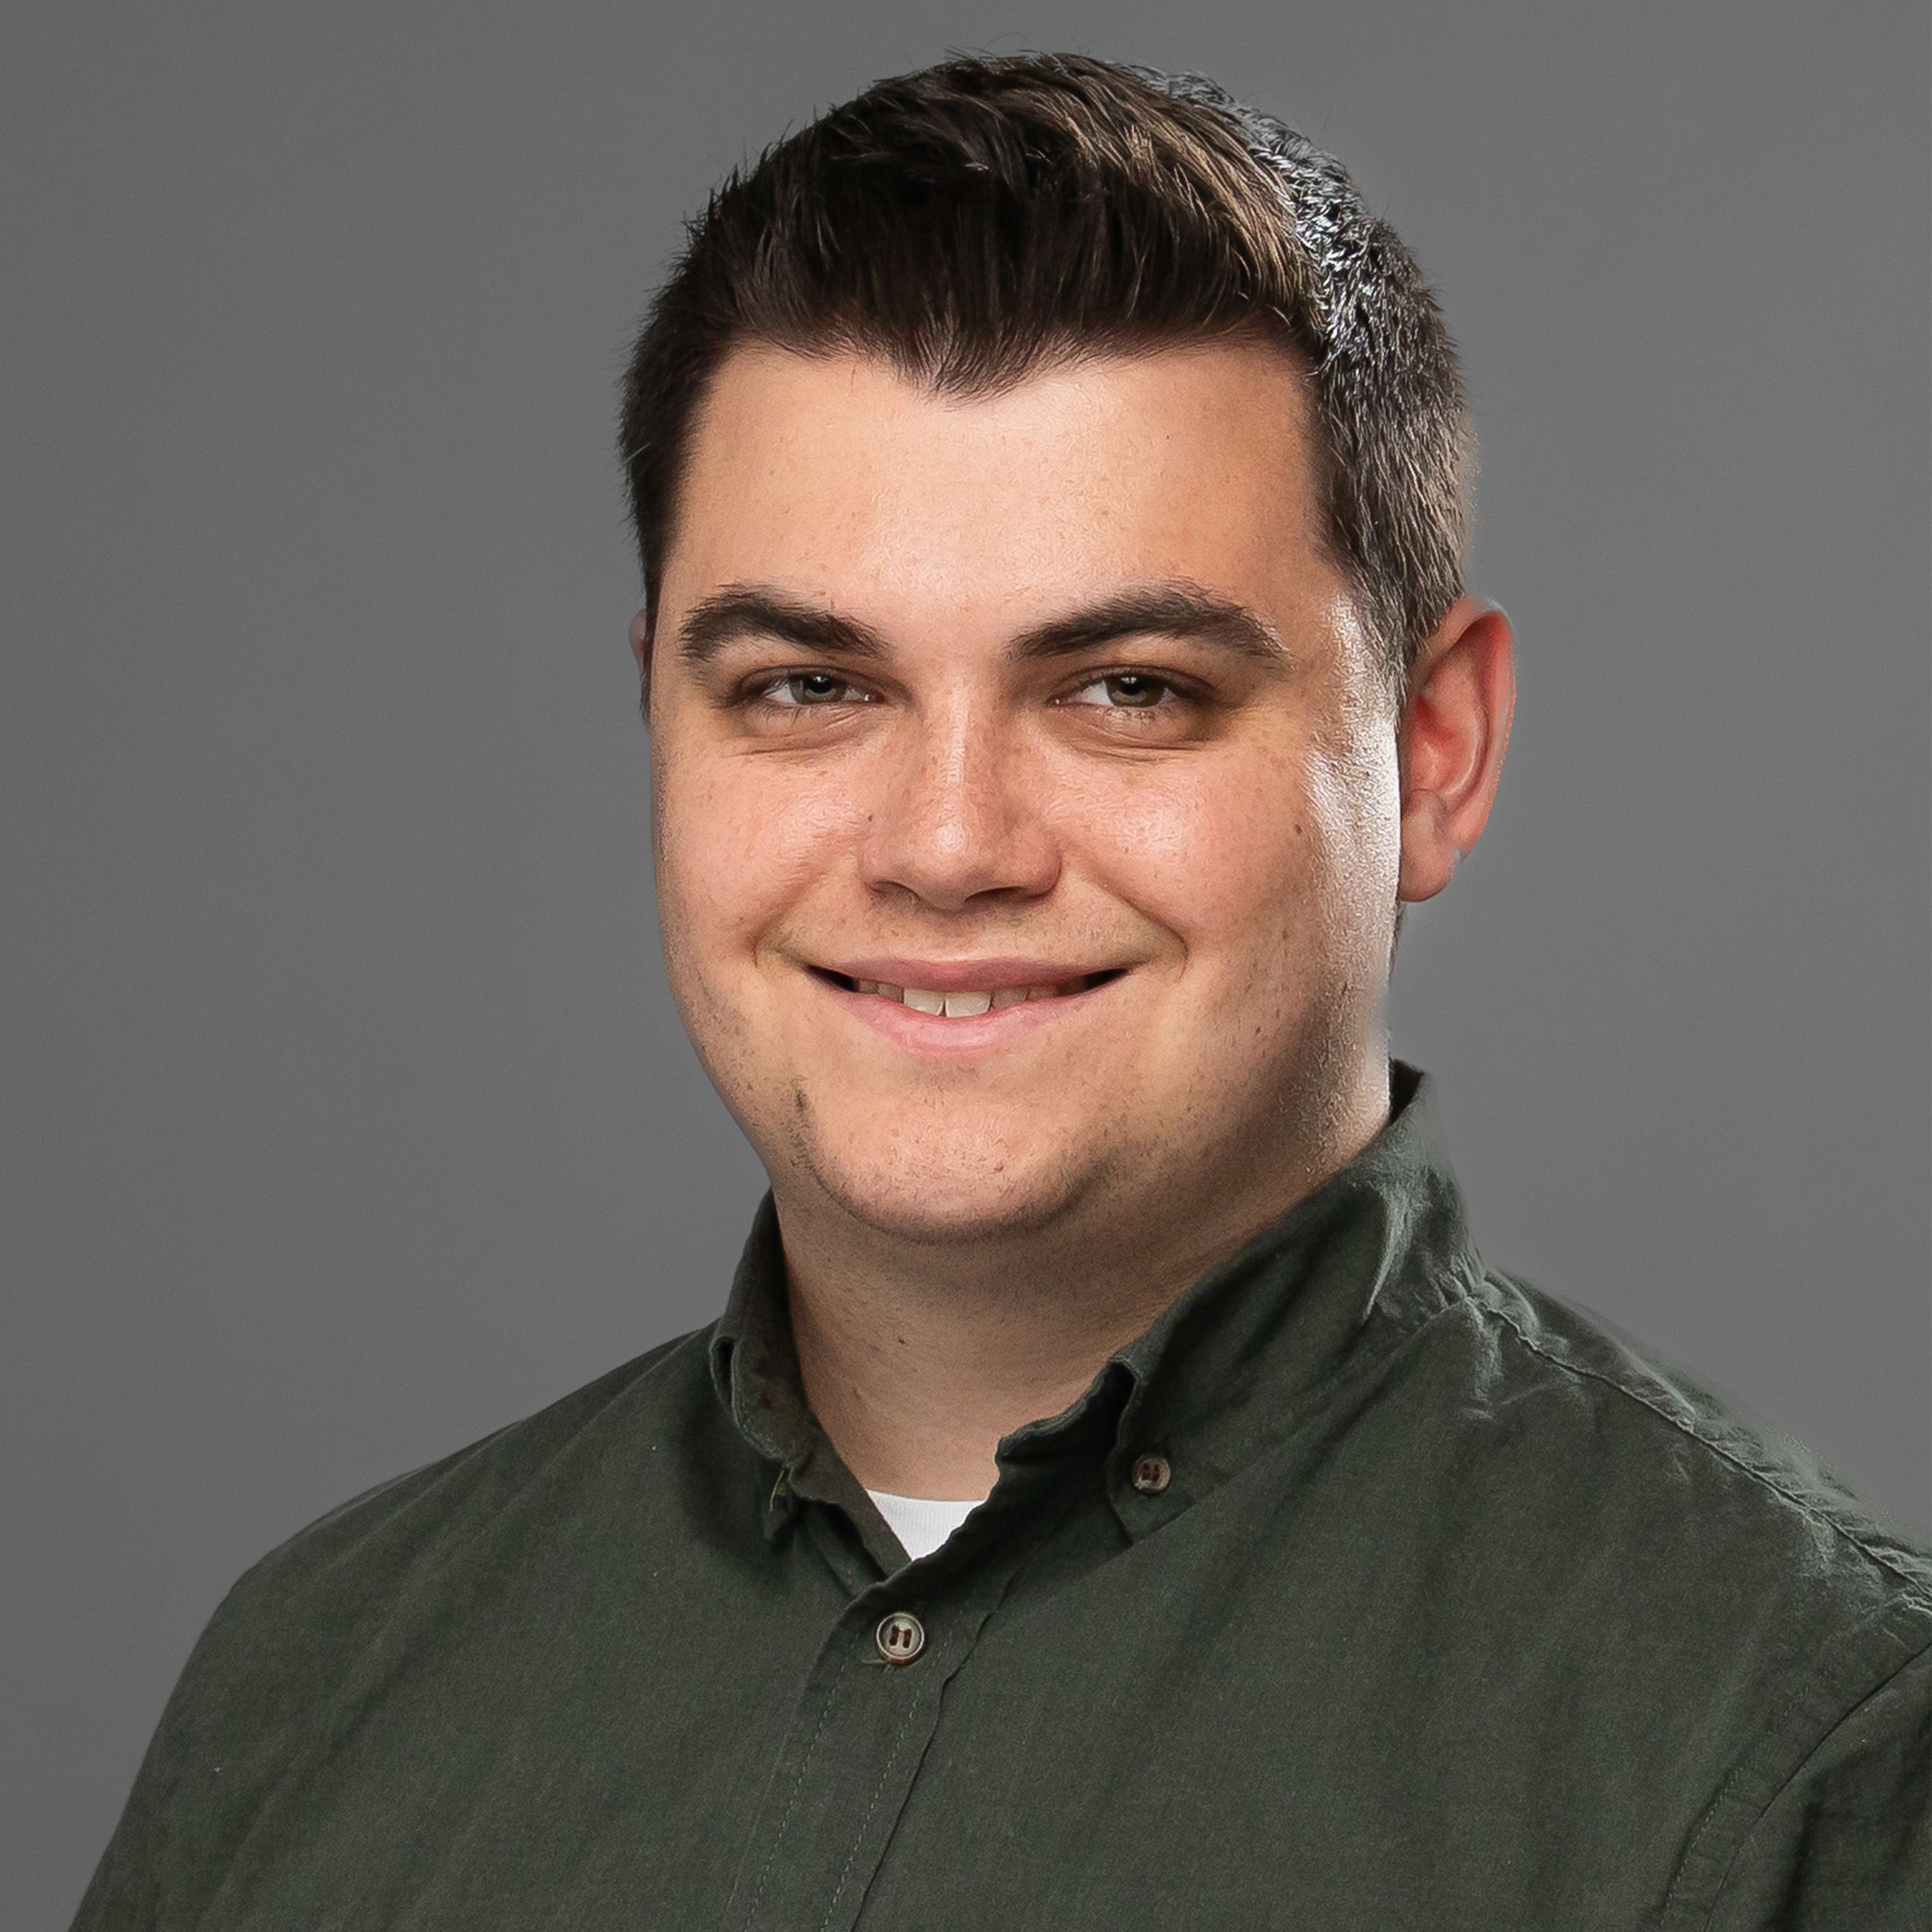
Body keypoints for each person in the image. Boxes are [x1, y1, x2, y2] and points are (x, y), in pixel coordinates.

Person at [75, 52, 1929, 1931]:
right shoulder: (310, 1692)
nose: (946, 844)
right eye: (809, 686)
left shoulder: (1807, 1754)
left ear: (1432, 752)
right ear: (658, 715)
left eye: (1126, 685)